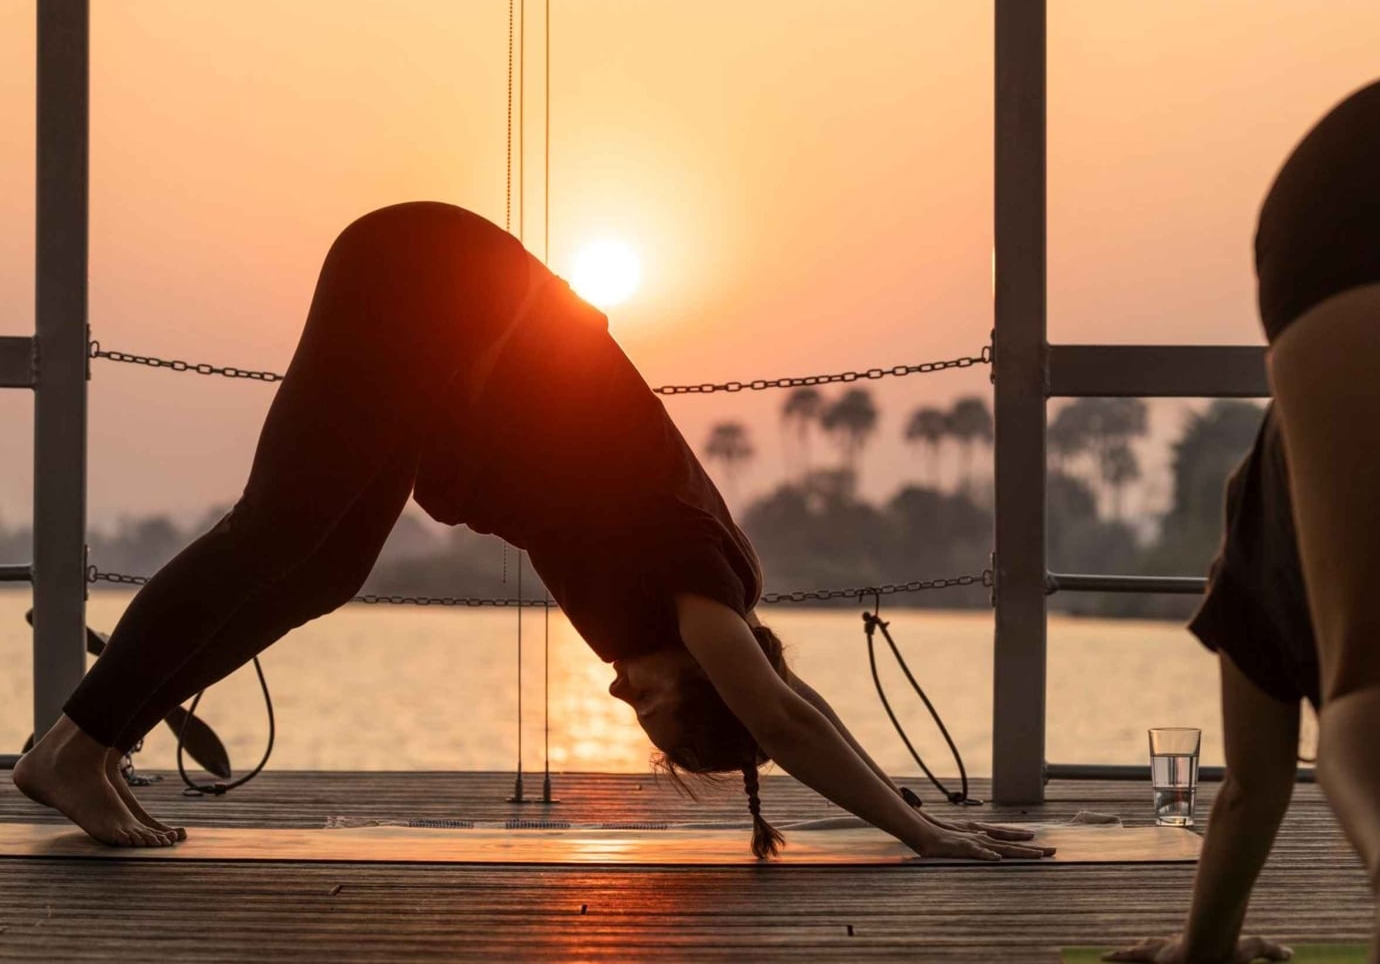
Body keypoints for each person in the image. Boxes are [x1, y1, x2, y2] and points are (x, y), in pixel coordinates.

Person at [13, 201, 1050, 863]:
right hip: (435, 287)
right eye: (655, 700)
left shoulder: (705, 601)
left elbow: (786, 696)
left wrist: (917, 807)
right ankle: (79, 743)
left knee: (323, 564)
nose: (620, 688)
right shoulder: (691, 579)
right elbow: (780, 716)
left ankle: (83, 745)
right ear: (702, 667)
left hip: (446, 316)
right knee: (277, 529)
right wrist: (923, 832)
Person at [1108, 25, 1380, 964]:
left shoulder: (1265, 580)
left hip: (1359, 169)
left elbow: (1250, 791)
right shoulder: (1264, 557)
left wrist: (1200, 950)